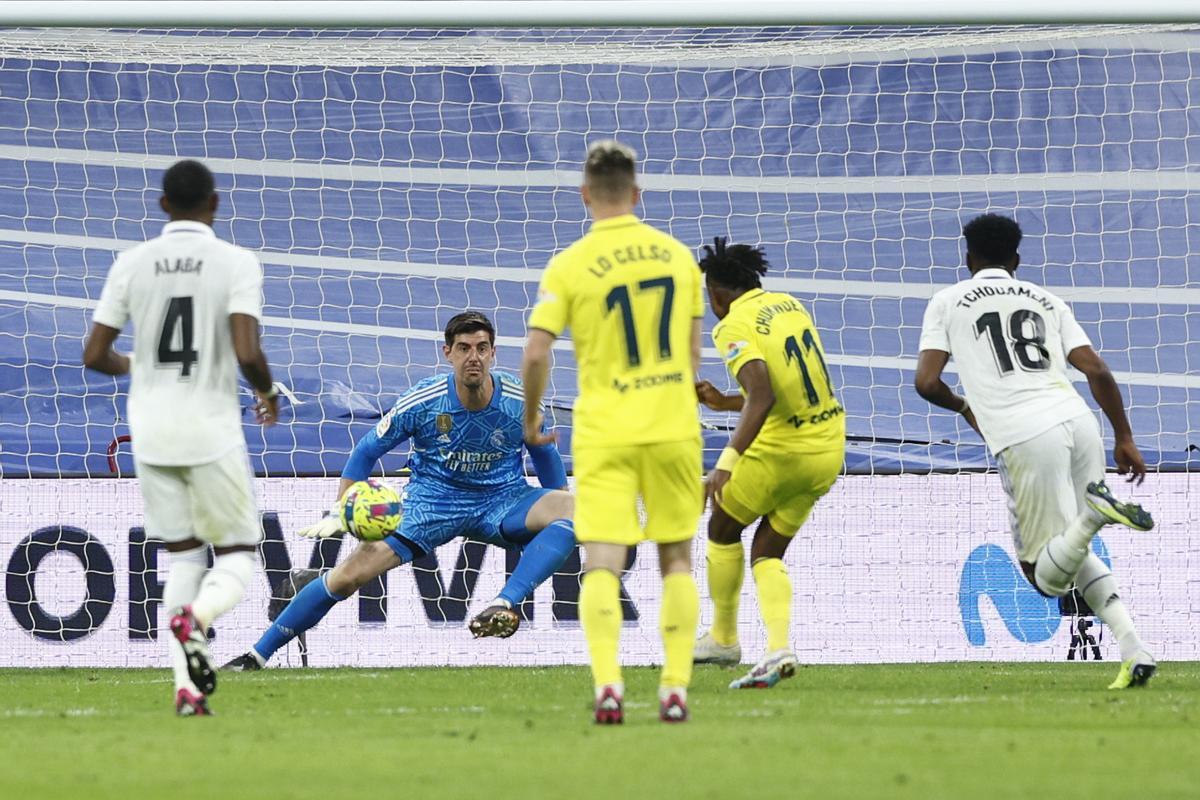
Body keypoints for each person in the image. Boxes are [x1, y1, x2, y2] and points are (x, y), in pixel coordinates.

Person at [223, 311, 576, 671]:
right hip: (430, 504)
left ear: (493, 353)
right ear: (447, 353)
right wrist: (340, 509)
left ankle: (504, 603)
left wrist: (553, 520)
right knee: (347, 578)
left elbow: (545, 455)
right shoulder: (423, 401)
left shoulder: (519, 400)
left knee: (574, 511)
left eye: (482, 348)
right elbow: (365, 451)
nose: (474, 357)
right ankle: (255, 657)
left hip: (502, 501)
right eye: (465, 348)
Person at [915, 213, 1156, 689]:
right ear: (1017, 260)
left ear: (968, 258)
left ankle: (1095, 515)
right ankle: (1134, 648)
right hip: (1078, 421)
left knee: (1044, 578)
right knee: (1072, 550)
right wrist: (1124, 437)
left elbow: (926, 382)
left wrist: (964, 406)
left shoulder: (947, 301)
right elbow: (1098, 372)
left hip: (1025, 433)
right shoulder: (1046, 299)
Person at [83, 159, 277, 716]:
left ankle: (187, 689)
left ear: (163, 205)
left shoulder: (131, 263)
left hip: (151, 431)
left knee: (185, 558)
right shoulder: (236, 262)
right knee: (238, 553)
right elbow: (246, 350)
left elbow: (95, 355)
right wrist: (267, 394)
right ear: (214, 204)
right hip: (210, 428)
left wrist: (137, 366)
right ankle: (200, 621)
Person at [522, 140, 704, 724]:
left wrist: (530, 418)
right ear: (637, 193)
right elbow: (695, 353)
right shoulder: (678, 257)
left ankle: (609, 687)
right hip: (673, 425)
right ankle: (675, 687)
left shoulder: (569, 264)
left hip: (604, 430)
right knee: (676, 558)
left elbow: (534, 351)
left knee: (601, 560)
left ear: (585, 195)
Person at [691, 238, 846, 689]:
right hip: (826, 448)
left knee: (721, 527)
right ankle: (779, 649)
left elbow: (763, 393)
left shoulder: (731, 325)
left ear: (717, 294)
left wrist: (727, 460)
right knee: (767, 551)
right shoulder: (789, 305)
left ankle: (722, 637)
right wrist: (724, 404)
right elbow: (790, 384)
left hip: (784, 450)